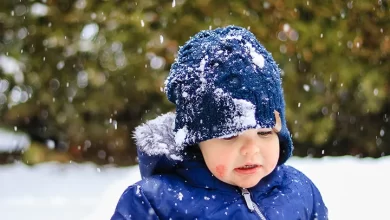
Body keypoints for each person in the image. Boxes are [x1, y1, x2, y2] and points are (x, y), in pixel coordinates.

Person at [111, 25, 328, 220]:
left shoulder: (299, 192)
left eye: (264, 133)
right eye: (230, 135)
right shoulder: (155, 203)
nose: (251, 151)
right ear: (196, 141)